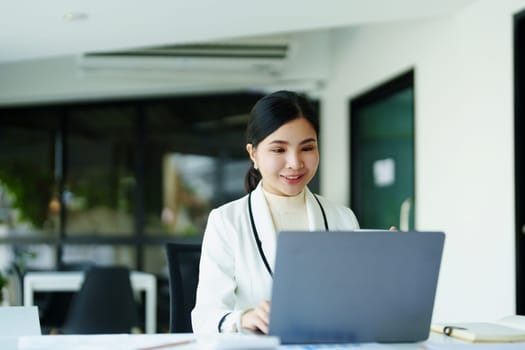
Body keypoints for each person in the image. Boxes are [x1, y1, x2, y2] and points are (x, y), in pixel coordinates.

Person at [191, 90, 360, 335]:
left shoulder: (343, 218)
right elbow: (205, 319)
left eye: (307, 148)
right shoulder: (226, 221)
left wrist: (384, 271)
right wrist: (243, 318)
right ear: (253, 154)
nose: (295, 163)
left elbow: (354, 306)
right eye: (279, 150)